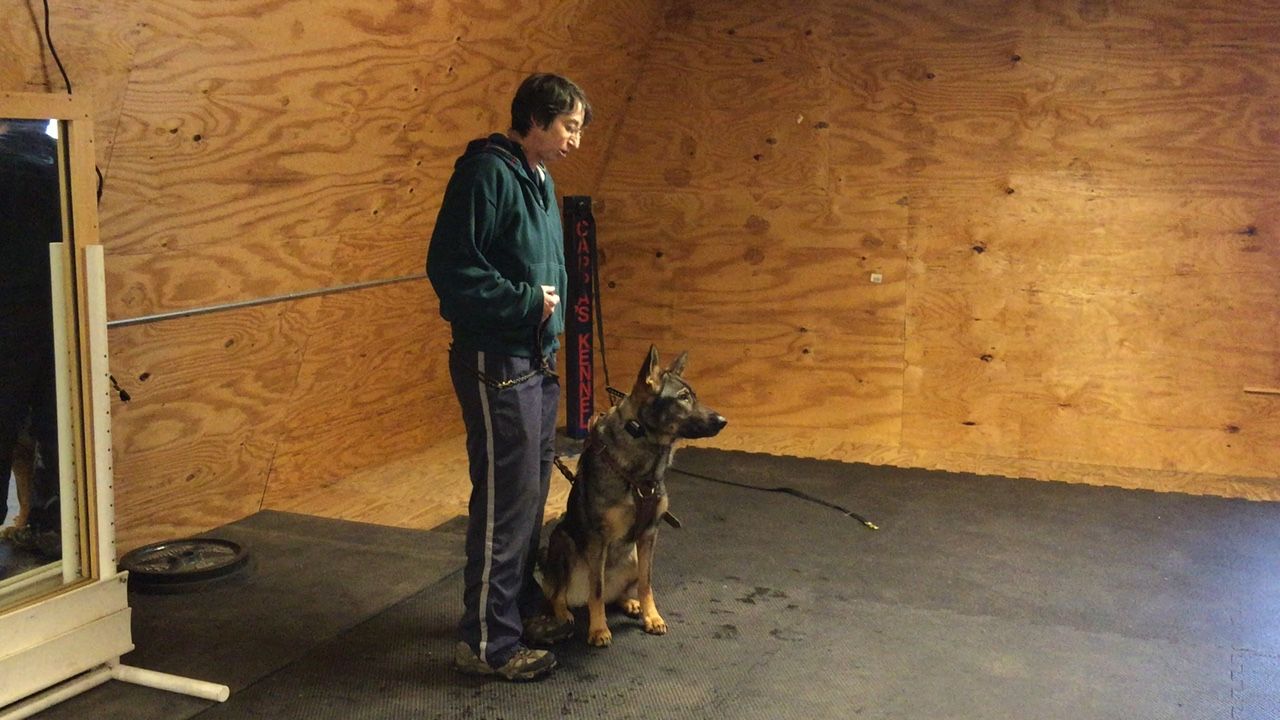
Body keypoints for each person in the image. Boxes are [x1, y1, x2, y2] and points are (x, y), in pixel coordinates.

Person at [427, 73, 592, 682]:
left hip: (534, 362)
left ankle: (514, 613)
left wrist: (542, 322)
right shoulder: (487, 174)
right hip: (496, 361)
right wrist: (528, 304)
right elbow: (450, 268)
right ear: (539, 119)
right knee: (503, 503)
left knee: (527, 499)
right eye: (570, 126)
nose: (575, 139)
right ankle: (489, 644)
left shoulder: (541, 180)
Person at [0, 119, 63, 562]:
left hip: (7, 311)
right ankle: (54, 523)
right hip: (60, 308)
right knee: (57, 425)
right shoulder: (69, 163)